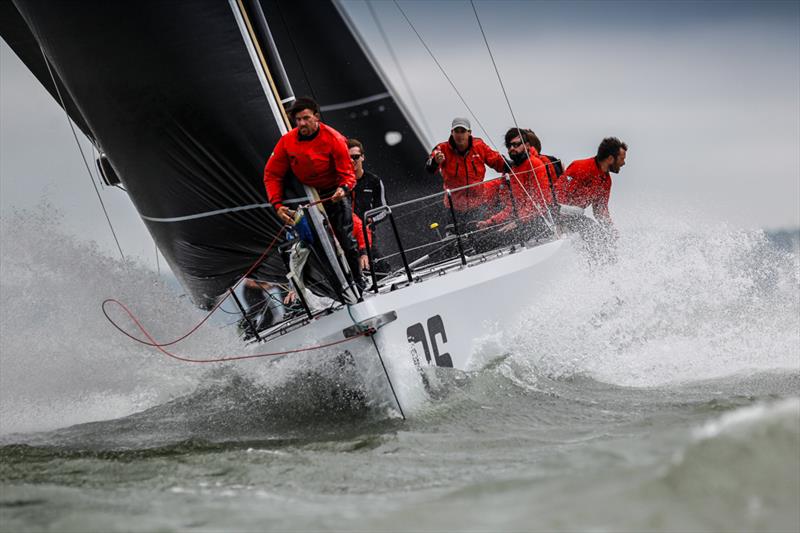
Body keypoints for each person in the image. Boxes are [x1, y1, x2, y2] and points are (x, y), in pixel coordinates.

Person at [263, 97, 364, 289]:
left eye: (306, 118)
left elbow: (348, 174)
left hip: (333, 194)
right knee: (314, 243)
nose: (301, 123)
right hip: (307, 196)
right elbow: (272, 174)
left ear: (316, 117)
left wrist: (342, 189)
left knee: (345, 239)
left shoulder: (334, 138)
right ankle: (330, 285)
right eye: (298, 119)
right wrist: (276, 204)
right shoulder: (287, 142)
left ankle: (358, 279)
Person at [477, 128, 556, 241]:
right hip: (520, 220)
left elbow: (539, 201)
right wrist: (489, 222)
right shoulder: (511, 170)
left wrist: (518, 222)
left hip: (539, 220)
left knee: (489, 241)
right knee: (480, 239)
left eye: (515, 145)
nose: (512, 149)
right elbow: (510, 207)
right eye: (509, 146)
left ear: (527, 145)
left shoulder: (535, 165)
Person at [425, 117, 507, 226]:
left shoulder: (479, 145)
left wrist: (515, 164)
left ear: (469, 133)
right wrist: (435, 161)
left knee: (480, 235)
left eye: (463, 131)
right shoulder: (442, 149)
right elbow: (430, 168)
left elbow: (498, 162)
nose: (460, 135)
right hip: (454, 208)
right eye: (456, 131)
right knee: (456, 239)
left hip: (478, 204)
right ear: (452, 133)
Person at [555, 137, 627, 233]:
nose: (623, 163)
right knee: (590, 231)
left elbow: (600, 209)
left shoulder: (606, 181)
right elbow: (559, 191)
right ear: (610, 159)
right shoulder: (580, 167)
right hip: (558, 215)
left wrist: (610, 229)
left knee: (601, 236)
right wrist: (559, 221)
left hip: (576, 216)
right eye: (621, 159)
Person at [348, 138, 391, 277]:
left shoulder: (374, 180)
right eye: (349, 157)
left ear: (363, 157)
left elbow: (384, 210)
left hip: (367, 235)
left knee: (382, 270)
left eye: (355, 157)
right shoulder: (341, 183)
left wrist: (370, 220)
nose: (352, 160)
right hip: (346, 236)